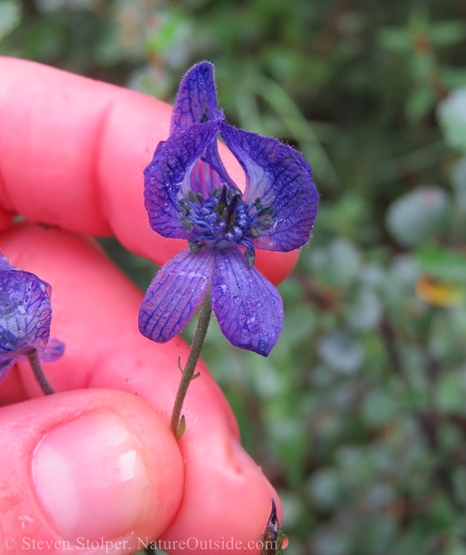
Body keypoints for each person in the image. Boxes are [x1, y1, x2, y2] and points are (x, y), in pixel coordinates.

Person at [0, 58, 298, 555]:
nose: (221, 198)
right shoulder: (192, 274)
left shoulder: (236, 290)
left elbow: (244, 331)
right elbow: (162, 328)